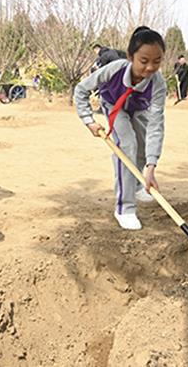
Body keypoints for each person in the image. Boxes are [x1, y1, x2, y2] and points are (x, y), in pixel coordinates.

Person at [75, 27, 167, 230]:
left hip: (138, 109)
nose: (150, 67)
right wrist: (88, 119)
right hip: (114, 106)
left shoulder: (158, 84)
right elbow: (81, 89)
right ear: (131, 56)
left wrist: (151, 167)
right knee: (127, 146)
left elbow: (156, 125)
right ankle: (125, 208)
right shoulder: (114, 69)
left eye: (157, 61)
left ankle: (135, 184)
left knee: (142, 147)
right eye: (144, 61)